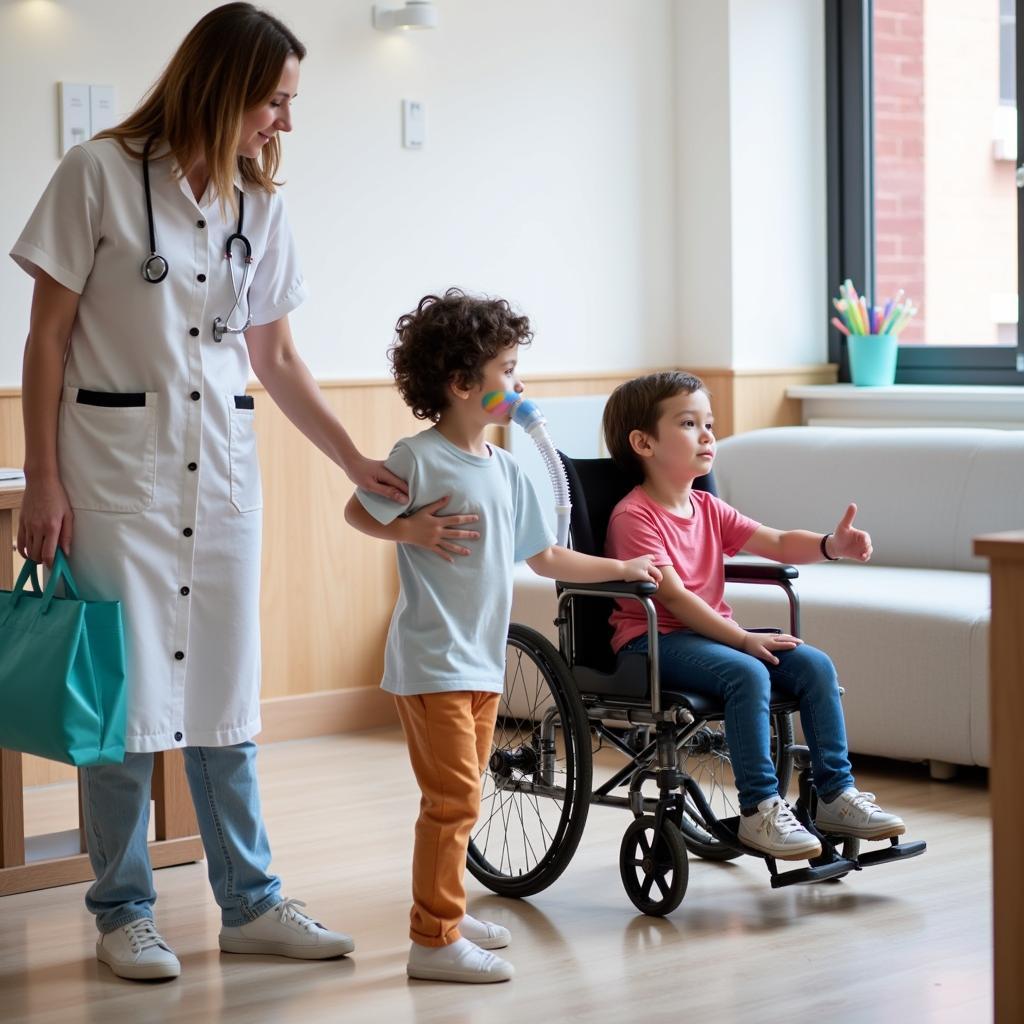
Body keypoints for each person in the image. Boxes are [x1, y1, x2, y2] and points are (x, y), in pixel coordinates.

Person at [10, 3, 418, 982]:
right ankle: (122, 909)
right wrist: (42, 476)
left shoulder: (257, 205)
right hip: (112, 478)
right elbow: (46, 339)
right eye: (274, 100)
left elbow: (274, 355)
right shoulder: (98, 174)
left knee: (224, 696)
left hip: (221, 479)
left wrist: (348, 456)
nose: (285, 121)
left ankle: (251, 901)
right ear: (224, 86)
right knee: (120, 699)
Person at [345, 289, 661, 983]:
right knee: (452, 800)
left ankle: (448, 915)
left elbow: (546, 556)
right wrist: (410, 529)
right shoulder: (419, 457)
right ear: (463, 385)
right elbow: (357, 510)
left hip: (482, 661)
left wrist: (621, 567)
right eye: (508, 371)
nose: (519, 386)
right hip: (432, 661)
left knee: (466, 795)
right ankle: (432, 939)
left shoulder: (510, 468)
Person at [601, 371, 907, 860]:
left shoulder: (707, 506)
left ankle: (834, 795)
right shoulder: (634, 516)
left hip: (713, 637)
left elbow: (780, 541)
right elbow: (675, 599)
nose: (707, 436)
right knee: (747, 671)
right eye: (688, 423)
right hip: (654, 640)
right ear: (643, 442)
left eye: (710, 424)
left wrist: (831, 545)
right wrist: (742, 639)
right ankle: (760, 808)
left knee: (814, 665)